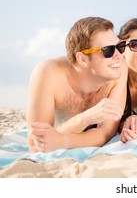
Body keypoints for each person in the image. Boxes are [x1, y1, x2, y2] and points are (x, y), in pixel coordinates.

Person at [27, 17, 130, 153]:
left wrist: (62, 141)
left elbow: (106, 132)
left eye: (120, 47)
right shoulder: (48, 73)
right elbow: (36, 145)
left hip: (61, 134)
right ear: (82, 59)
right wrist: (86, 118)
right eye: (108, 51)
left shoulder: (119, 69)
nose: (120, 56)